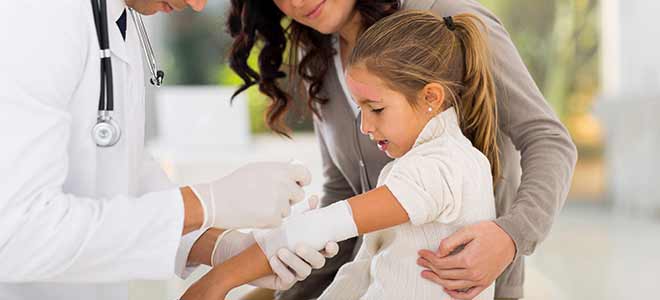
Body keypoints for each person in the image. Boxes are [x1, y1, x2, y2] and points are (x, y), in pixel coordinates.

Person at [225, 0, 578, 299]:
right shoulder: (316, 55)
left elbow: (548, 140)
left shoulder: (444, 20)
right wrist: (288, 291)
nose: (298, 3)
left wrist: (512, 235)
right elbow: (345, 191)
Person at [0, 1, 337, 300]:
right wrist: (203, 203)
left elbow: (117, 169)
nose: (198, 4)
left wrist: (222, 247)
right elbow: (14, 235)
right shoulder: (37, 13)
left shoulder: (121, 16)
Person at [181, 10, 502, 300]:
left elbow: (325, 225)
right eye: (360, 108)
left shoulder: (438, 169)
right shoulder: (433, 162)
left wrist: (218, 281)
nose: (364, 126)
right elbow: (363, 268)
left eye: (376, 109)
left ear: (431, 96)